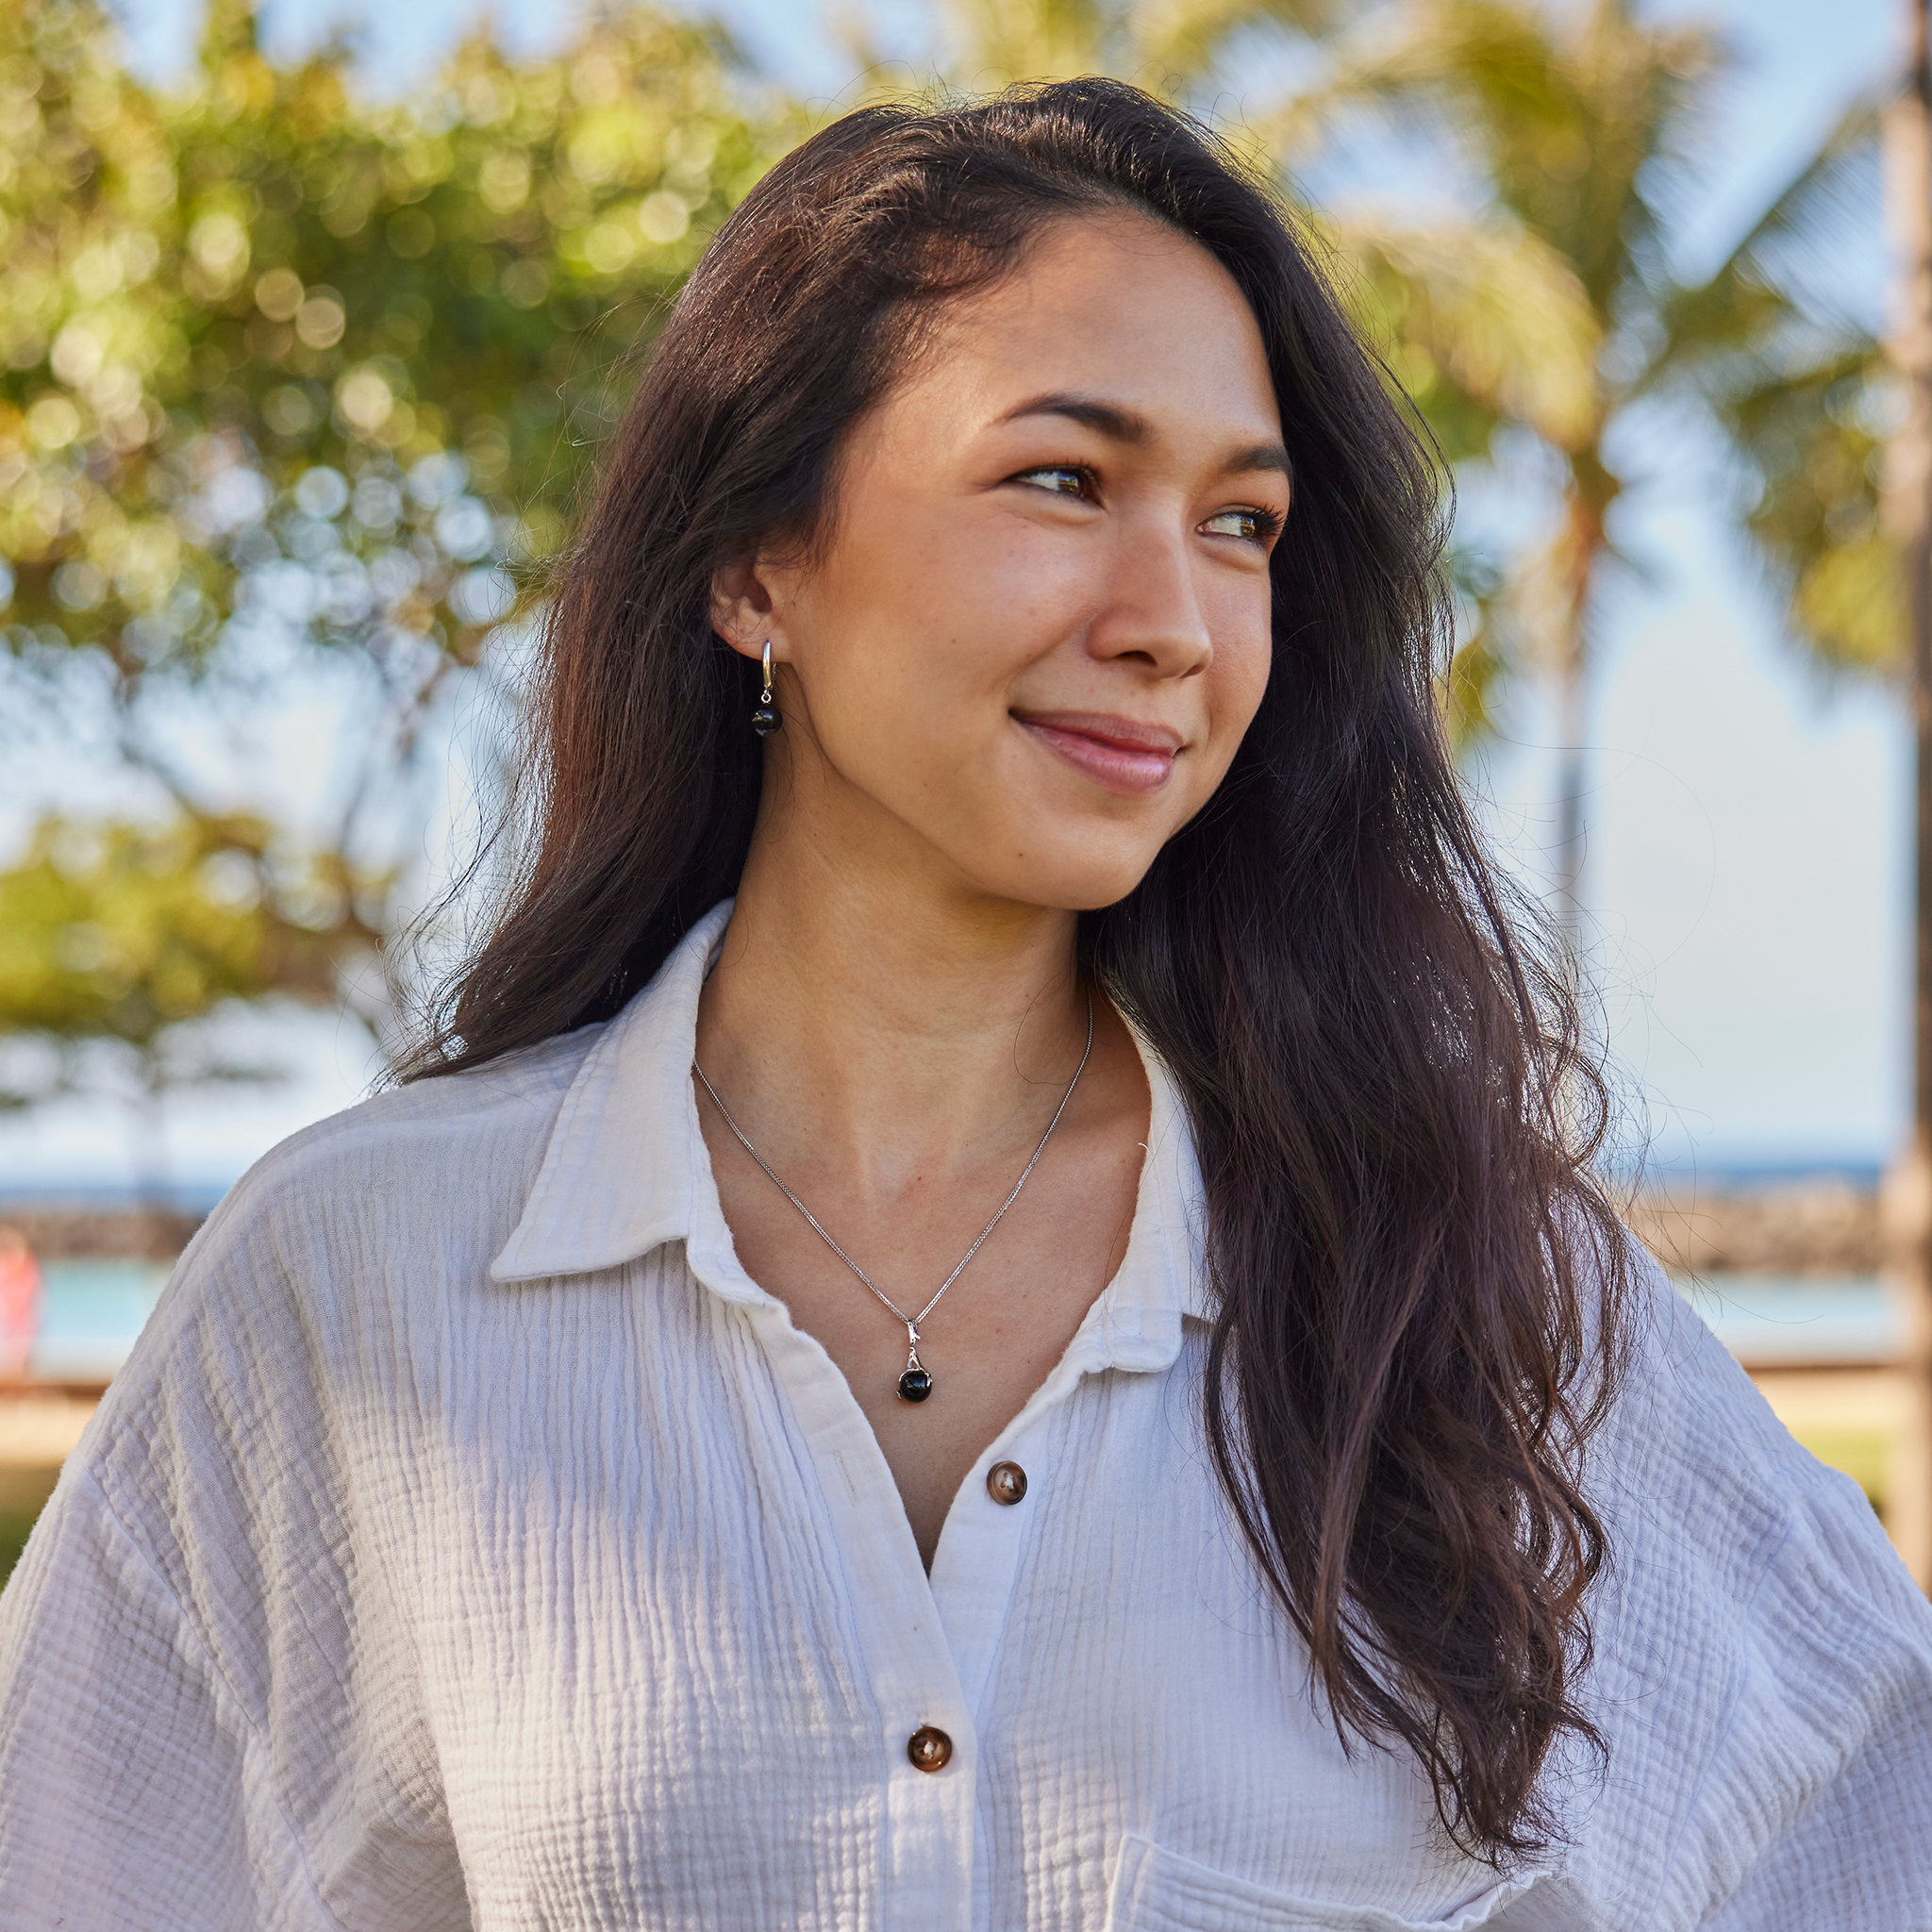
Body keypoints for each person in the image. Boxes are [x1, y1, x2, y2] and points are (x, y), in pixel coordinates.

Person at [1, 79, 1928, 1930]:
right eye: (1064, 478)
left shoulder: (1470, 1288)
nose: (1173, 615)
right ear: (758, 562)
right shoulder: (359, 1287)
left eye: (1241, 524)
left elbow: (1861, 1819)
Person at [0, 1227, 42, 1381]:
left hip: (22, 1320)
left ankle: (19, 1381)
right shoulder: (9, 1269)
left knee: (21, 1355)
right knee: (16, 1355)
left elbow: (33, 1293)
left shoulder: (27, 1267)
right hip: (14, 1320)